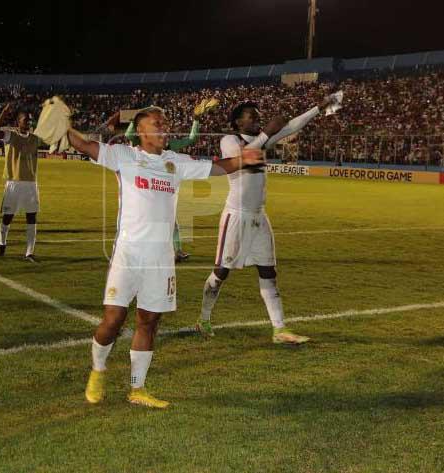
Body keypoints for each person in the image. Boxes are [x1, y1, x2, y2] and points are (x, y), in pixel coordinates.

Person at [66, 106, 265, 408]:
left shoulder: (175, 162)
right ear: (141, 130)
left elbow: (214, 168)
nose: (164, 129)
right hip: (129, 254)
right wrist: (64, 125)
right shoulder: (125, 156)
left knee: (149, 321)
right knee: (113, 319)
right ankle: (98, 369)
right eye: (157, 124)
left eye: (165, 123)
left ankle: (137, 389)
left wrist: (241, 160)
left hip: (161, 258)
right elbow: (83, 145)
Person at [197, 95, 336, 343]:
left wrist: (318, 108)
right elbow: (241, 160)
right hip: (236, 217)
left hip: (259, 217)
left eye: (259, 114)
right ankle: (204, 319)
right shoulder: (230, 140)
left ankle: (279, 330)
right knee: (221, 272)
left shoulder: (263, 139)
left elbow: (292, 126)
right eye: (252, 115)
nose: (258, 118)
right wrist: (266, 134)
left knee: (268, 272)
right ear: (238, 121)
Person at [124, 99, 220, 263]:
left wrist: (196, 120)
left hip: (163, 190)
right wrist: (135, 120)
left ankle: (177, 251)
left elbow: (191, 139)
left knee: (171, 222)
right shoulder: (141, 142)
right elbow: (128, 135)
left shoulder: (170, 145)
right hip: (144, 190)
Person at [0, 105, 41, 261]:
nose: (28, 123)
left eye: (29, 120)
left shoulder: (35, 138)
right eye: (25, 120)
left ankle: (29, 252)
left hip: (31, 184)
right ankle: (2, 243)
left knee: (32, 218)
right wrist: (4, 113)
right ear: (18, 122)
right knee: (7, 217)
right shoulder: (10, 136)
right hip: (14, 183)